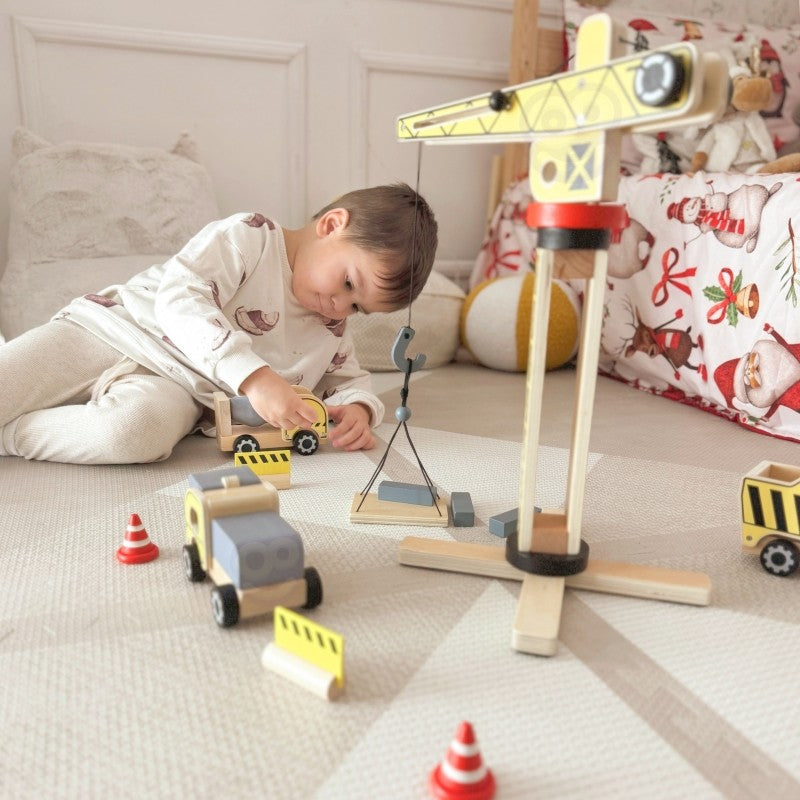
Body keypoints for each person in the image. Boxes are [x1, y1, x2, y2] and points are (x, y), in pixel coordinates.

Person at [0, 183, 438, 464]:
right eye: (347, 283)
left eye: (358, 307)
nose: (341, 308)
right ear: (331, 225)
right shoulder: (249, 237)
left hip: (178, 390)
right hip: (114, 329)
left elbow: (349, 378)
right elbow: (180, 297)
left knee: (133, 435)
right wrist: (254, 377)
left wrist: (360, 409)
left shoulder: (330, 327)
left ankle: (12, 436)